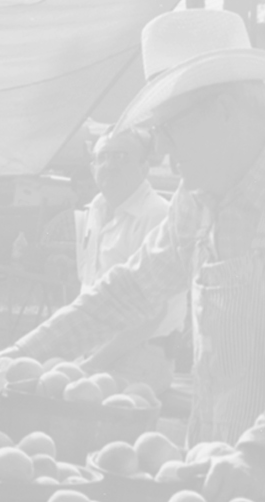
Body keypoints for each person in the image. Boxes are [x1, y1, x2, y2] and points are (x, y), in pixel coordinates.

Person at [0, 9, 265, 502]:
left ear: (225, 111)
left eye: (169, 129)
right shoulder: (198, 202)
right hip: (217, 487)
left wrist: (257, 456)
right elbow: (126, 291)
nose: (162, 152)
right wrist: (18, 356)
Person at [73, 127, 185, 391]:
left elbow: (152, 313)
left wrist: (93, 364)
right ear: (92, 168)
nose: (110, 164)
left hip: (142, 355)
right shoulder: (95, 210)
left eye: (122, 156)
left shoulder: (157, 215)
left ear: (144, 168)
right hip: (97, 349)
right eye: (103, 156)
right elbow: (90, 289)